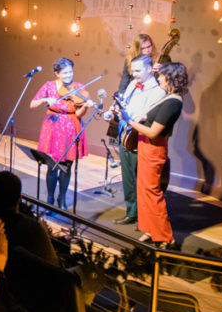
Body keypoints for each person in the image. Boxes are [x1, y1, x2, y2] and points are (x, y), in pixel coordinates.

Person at [119, 61, 189, 247]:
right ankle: (151, 229)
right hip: (145, 146)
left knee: (152, 193)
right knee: (143, 191)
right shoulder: (168, 97)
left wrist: (129, 120)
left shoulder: (173, 102)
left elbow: (153, 132)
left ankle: (165, 236)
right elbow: (150, 119)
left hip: (153, 148)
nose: (160, 78)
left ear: (172, 78)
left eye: (163, 75)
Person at [29, 57, 96, 208]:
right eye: (64, 73)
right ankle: (50, 198)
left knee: (66, 167)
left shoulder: (78, 88)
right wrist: (46, 99)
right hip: (52, 128)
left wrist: (85, 105)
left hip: (71, 127)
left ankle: (62, 198)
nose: (68, 76)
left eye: (70, 72)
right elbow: (32, 104)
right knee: (52, 166)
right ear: (57, 73)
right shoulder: (49, 85)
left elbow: (79, 114)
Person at [111, 53, 166, 226]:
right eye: (133, 70)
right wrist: (114, 112)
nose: (134, 74)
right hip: (125, 136)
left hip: (139, 139)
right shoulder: (133, 85)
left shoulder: (157, 91)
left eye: (138, 70)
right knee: (127, 178)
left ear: (150, 69)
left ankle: (144, 217)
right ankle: (131, 212)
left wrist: (127, 116)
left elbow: (145, 117)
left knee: (141, 181)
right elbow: (125, 104)